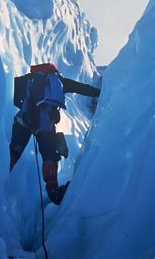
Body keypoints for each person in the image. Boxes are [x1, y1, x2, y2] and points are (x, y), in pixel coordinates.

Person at [10, 63, 101, 205]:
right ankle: (54, 192)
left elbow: (17, 100)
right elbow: (81, 88)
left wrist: (30, 113)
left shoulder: (29, 78)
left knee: (13, 153)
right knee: (50, 157)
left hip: (23, 121)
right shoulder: (59, 82)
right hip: (45, 126)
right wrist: (100, 92)